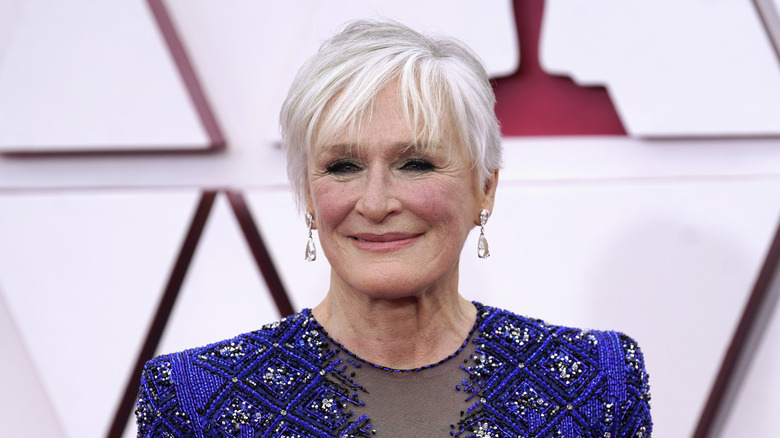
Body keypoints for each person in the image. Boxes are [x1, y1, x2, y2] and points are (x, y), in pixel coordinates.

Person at [136, 20, 652, 437]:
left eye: (416, 164)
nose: (376, 203)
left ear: (485, 188)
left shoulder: (597, 382)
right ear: (308, 196)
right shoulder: (194, 400)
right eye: (343, 167)